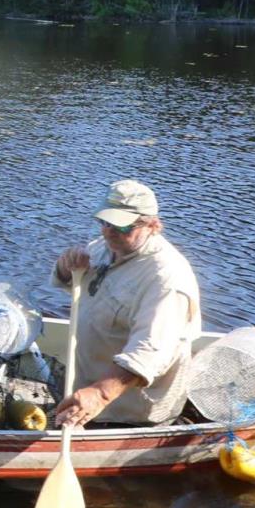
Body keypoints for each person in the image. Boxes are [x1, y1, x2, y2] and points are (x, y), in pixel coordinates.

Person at [49, 179, 201, 428]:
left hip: (129, 414)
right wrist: (67, 269)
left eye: (122, 226)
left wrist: (100, 394)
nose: (109, 231)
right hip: (85, 391)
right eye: (105, 222)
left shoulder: (166, 279)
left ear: (153, 225)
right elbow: (78, 287)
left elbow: (150, 352)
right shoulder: (105, 247)